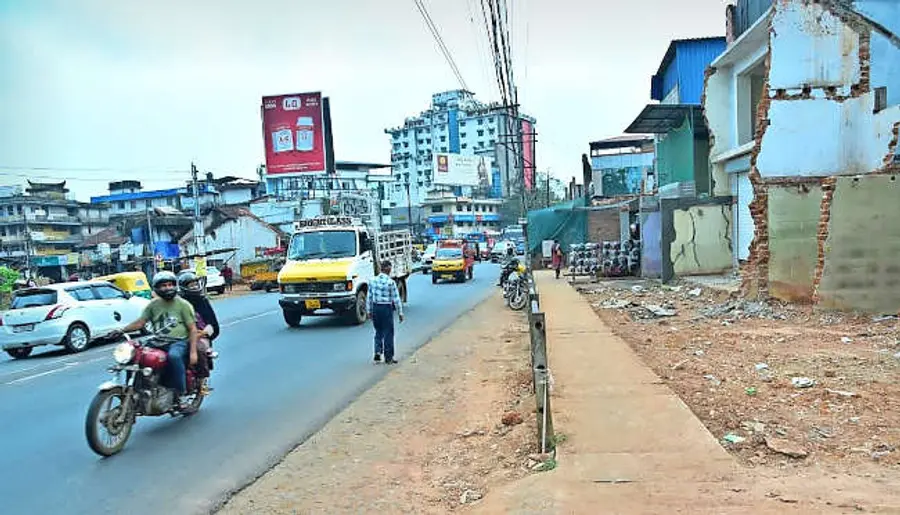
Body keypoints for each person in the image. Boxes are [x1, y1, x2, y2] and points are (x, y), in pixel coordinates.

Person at [117, 271, 199, 409]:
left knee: (174, 356)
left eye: (170, 285)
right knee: (135, 355)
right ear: (156, 288)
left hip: (178, 341)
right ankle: (132, 392)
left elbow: (192, 329)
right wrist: (120, 330)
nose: (167, 288)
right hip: (158, 340)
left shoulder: (183, 305)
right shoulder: (153, 305)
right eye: (163, 286)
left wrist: (193, 352)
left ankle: (181, 395)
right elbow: (140, 323)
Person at [177, 270, 219, 394]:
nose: (195, 287)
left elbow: (213, 325)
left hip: (201, 334)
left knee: (200, 350)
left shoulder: (202, 301)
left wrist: (204, 333)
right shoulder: (177, 302)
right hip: (180, 335)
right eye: (191, 285)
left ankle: (201, 381)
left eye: (196, 284)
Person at [366, 260, 404, 365]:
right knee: (388, 332)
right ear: (389, 269)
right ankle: (389, 357)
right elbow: (396, 299)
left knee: (378, 330)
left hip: (376, 307)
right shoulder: (391, 282)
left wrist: (368, 311)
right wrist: (400, 313)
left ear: (381, 269)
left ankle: (377, 351)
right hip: (386, 308)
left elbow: (369, 297)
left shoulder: (372, 281)